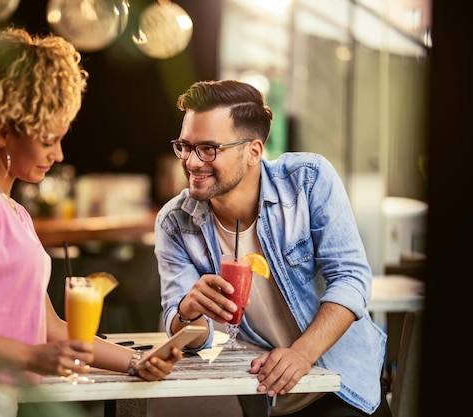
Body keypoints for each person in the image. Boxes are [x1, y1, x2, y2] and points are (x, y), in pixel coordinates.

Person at [0, 27, 182, 417]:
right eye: (48, 140)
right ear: (3, 130)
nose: (59, 154)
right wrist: (30, 356)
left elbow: (54, 328)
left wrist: (137, 361)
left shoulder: (14, 212)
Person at [154, 79, 391, 417]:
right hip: (264, 396)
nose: (191, 162)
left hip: (340, 387)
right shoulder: (174, 223)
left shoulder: (308, 180)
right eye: (185, 146)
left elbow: (351, 279)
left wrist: (301, 354)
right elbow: (193, 339)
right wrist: (187, 312)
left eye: (208, 148)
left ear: (253, 151)